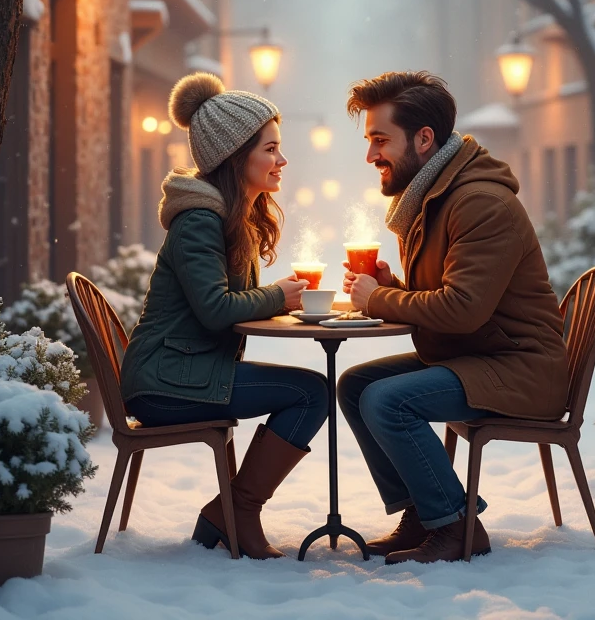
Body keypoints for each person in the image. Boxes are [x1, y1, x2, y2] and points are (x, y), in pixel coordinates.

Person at [337, 71, 569, 565]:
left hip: (521, 367)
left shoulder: (479, 202)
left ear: (424, 139)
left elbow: (461, 310)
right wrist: (393, 286)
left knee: (387, 401)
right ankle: (423, 514)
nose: (371, 155)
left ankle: (458, 527)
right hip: (478, 353)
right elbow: (447, 298)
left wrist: (377, 298)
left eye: (381, 140)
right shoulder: (432, 197)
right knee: (357, 386)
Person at [120, 73, 328, 560]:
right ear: (237, 157)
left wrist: (278, 298)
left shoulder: (228, 216)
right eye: (271, 149)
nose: (282, 161)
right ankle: (237, 511)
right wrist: (277, 296)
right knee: (309, 392)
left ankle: (231, 510)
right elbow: (216, 310)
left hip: (188, 370)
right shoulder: (200, 221)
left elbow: (229, 304)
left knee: (309, 390)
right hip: (164, 383)